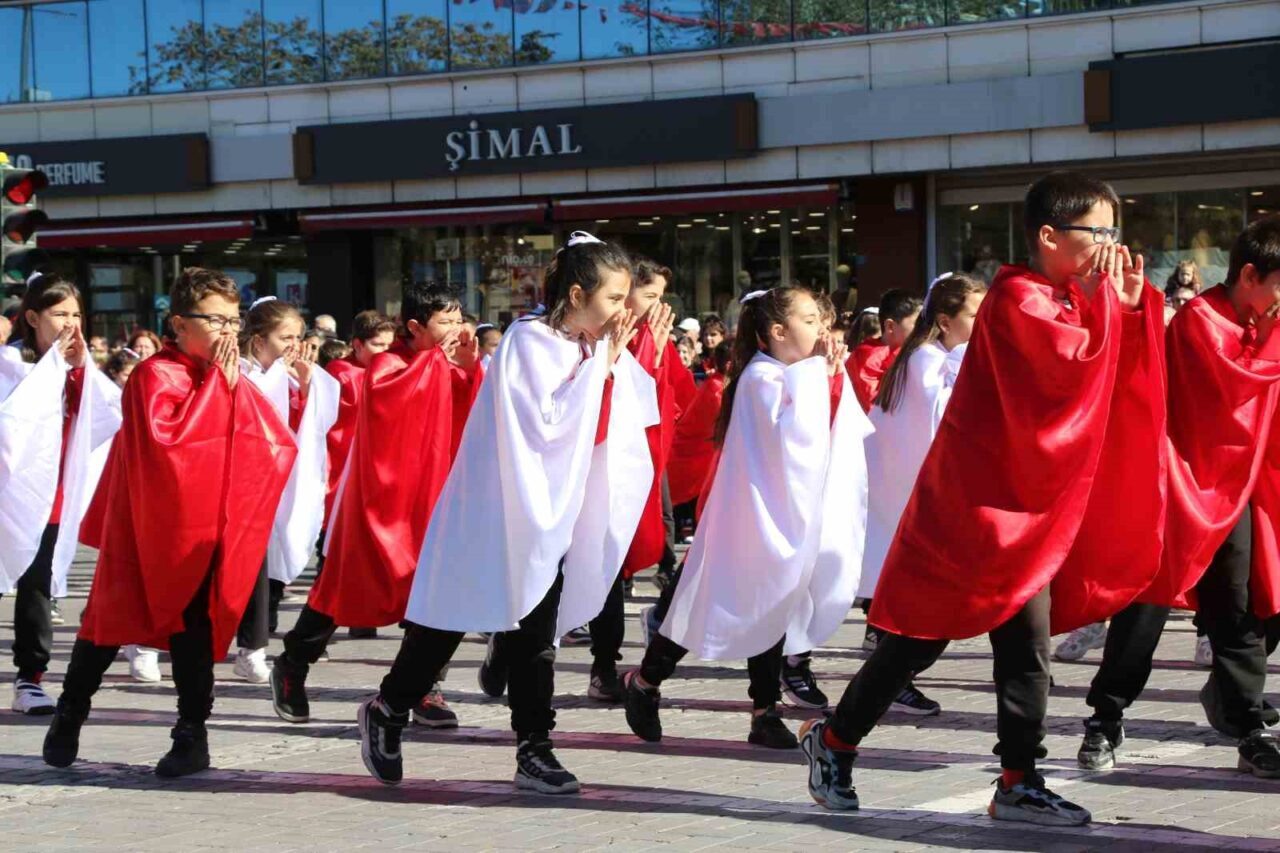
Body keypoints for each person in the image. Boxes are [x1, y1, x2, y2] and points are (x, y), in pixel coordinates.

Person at [800, 171, 1166, 825]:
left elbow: (1115, 376)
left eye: (1115, 231)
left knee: (1027, 648)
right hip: (978, 508)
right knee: (919, 640)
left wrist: (1130, 310)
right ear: (1049, 236)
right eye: (1099, 232)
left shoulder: (1069, 297)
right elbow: (1070, 373)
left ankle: (1018, 779)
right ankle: (834, 740)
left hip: (1028, 510)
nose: (1111, 246)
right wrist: (1109, 307)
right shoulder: (1017, 297)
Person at [357, 232, 657, 794]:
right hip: (495, 507)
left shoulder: (589, 347)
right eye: (614, 298)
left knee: (535, 635)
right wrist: (604, 364)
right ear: (576, 294)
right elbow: (542, 424)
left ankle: (534, 749)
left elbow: (616, 418)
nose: (623, 311)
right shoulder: (528, 339)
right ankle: (390, 707)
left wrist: (610, 361)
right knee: (446, 622)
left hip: (548, 512)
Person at [42, 267, 297, 777]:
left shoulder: (227, 376)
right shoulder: (154, 375)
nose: (228, 332)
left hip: (202, 533)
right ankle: (71, 711)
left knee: (193, 632)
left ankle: (191, 734)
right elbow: (170, 445)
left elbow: (271, 441)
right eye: (215, 320)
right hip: (143, 530)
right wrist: (220, 388)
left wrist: (229, 388)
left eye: (233, 321)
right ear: (180, 324)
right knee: (106, 626)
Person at [623, 286, 871, 749]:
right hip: (748, 519)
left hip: (782, 515)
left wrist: (830, 376)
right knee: (705, 605)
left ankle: (764, 711)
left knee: (772, 608)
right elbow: (793, 442)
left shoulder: (793, 375)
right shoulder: (761, 377)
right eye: (810, 321)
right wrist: (820, 374)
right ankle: (646, 680)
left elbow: (829, 432)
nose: (821, 330)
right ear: (778, 331)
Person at [1077, 215, 1280, 777]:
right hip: (1182, 486)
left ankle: (1247, 724)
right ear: (1249, 275)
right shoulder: (1200, 320)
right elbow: (1243, 383)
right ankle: (1106, 716)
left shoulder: (1263, 324)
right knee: (1147, 606)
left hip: (1235, 490)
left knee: (1239, 607)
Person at [270, 283, 483, 728]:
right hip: (381, 501)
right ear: (415, 326)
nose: (454, 328)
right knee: (342, 589)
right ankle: (293, 662)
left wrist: (468, 370)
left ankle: (423, 684)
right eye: (444, 321)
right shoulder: (390, 363)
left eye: (457, 318)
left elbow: (468, 411)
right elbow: (389, 406)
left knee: (433, 596)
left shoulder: (440, 362)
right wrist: (437, 363)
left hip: (433, 496)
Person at [857, 272, 988, 714]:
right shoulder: (926, 360)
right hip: (913, 502)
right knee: (930, 605)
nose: (983, 323)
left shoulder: (929, 357)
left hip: (915, 501)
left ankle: (891, 678)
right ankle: (888, 682)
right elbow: (941, 424)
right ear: (946, 322)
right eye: (975, 315)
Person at [0, 274, 122, 714]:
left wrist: (80, 370)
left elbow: (108, 412)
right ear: (33, 318)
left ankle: (30, 678)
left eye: (76, 314)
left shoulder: (78, 369)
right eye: (59, 314)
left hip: (49, 495)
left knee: (37, 587)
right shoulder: (9, 363)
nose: (70, 323)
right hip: (7, 493)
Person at [579, 258, 677, 703]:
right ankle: (507, 650)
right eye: (648, 294)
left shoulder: (651, 336)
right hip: (582, 465)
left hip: (627, 465)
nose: (656, 305)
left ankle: (604, 663)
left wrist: (655, 353)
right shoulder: (590, 334)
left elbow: (660, 403)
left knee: (610, 563)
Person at [234, 298, 341, 684]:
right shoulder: (236, 372)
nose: (294, 345)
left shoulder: (291, 376)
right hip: (240, 483)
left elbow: (309, 424)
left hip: (276, 484)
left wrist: (308, 383)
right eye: (285, 338)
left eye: (298, 337)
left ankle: (252, 646)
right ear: (259, 340)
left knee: (268, 563)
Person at [848, 290, 921, 412]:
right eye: (917, 324)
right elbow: (873, 408)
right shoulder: (869, 357)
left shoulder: (911, 351)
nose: (922, 330)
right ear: (890, 326)